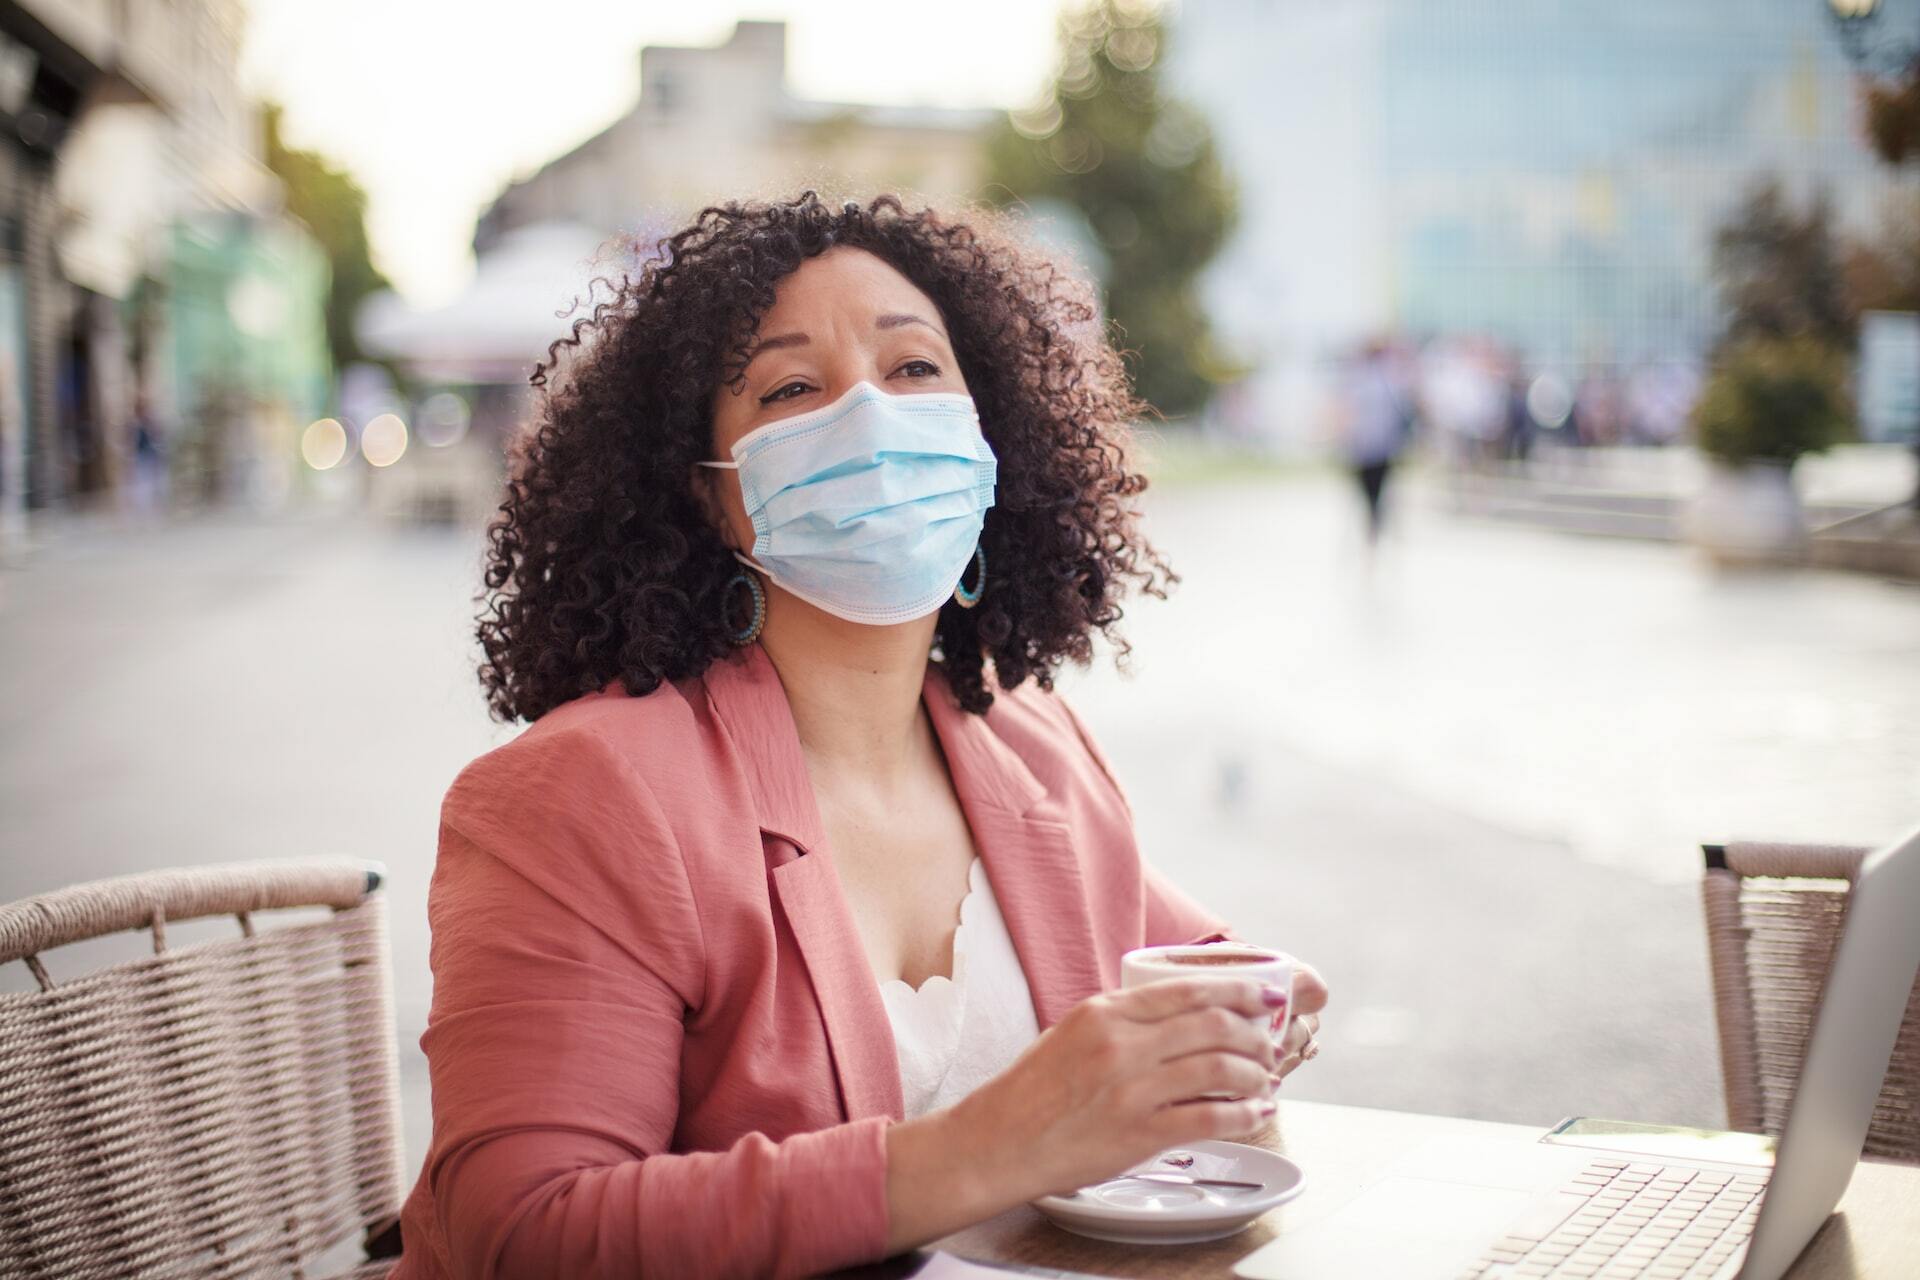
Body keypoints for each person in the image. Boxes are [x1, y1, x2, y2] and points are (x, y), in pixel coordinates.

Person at [386, 192, 1330, 1280]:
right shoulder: (582, 791)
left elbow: (1183, 961)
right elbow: (530, 1232)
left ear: (990, 435)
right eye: (793, 388)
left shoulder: (1028, 739)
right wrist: (979, 1149)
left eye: (916, 368)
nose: (872, 416)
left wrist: (1256, 996)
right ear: (712, 497)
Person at [1338, 337, 1412, 542]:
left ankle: (1371, 533)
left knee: (1367, 496)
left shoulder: (1358, 380)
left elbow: (1345, 414)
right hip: (1381, 449)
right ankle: (1374, 532)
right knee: (1377, 496)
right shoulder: (1391, 382)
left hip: (1363, 449)